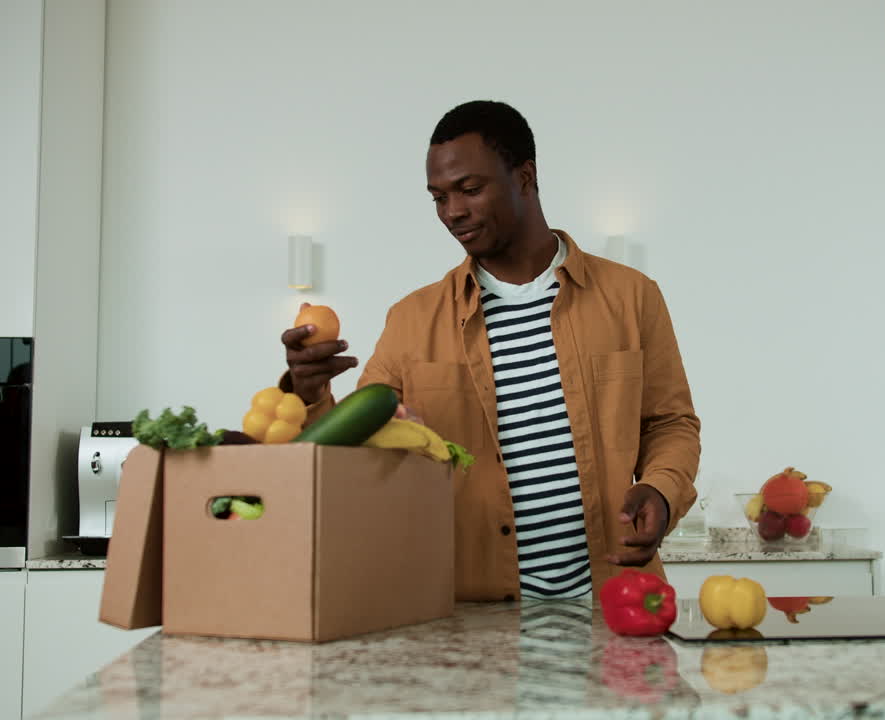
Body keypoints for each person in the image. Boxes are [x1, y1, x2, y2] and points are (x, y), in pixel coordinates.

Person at [280, 100, 700, 602]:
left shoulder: (632, 296)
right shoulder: (411, 320)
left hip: (616, 604)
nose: (452, 212)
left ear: (525, 177)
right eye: (438, 197)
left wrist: (661, 490)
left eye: (470, 189)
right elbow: (358, 453)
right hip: (474, 617)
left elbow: (671, 423)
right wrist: (310, 393)